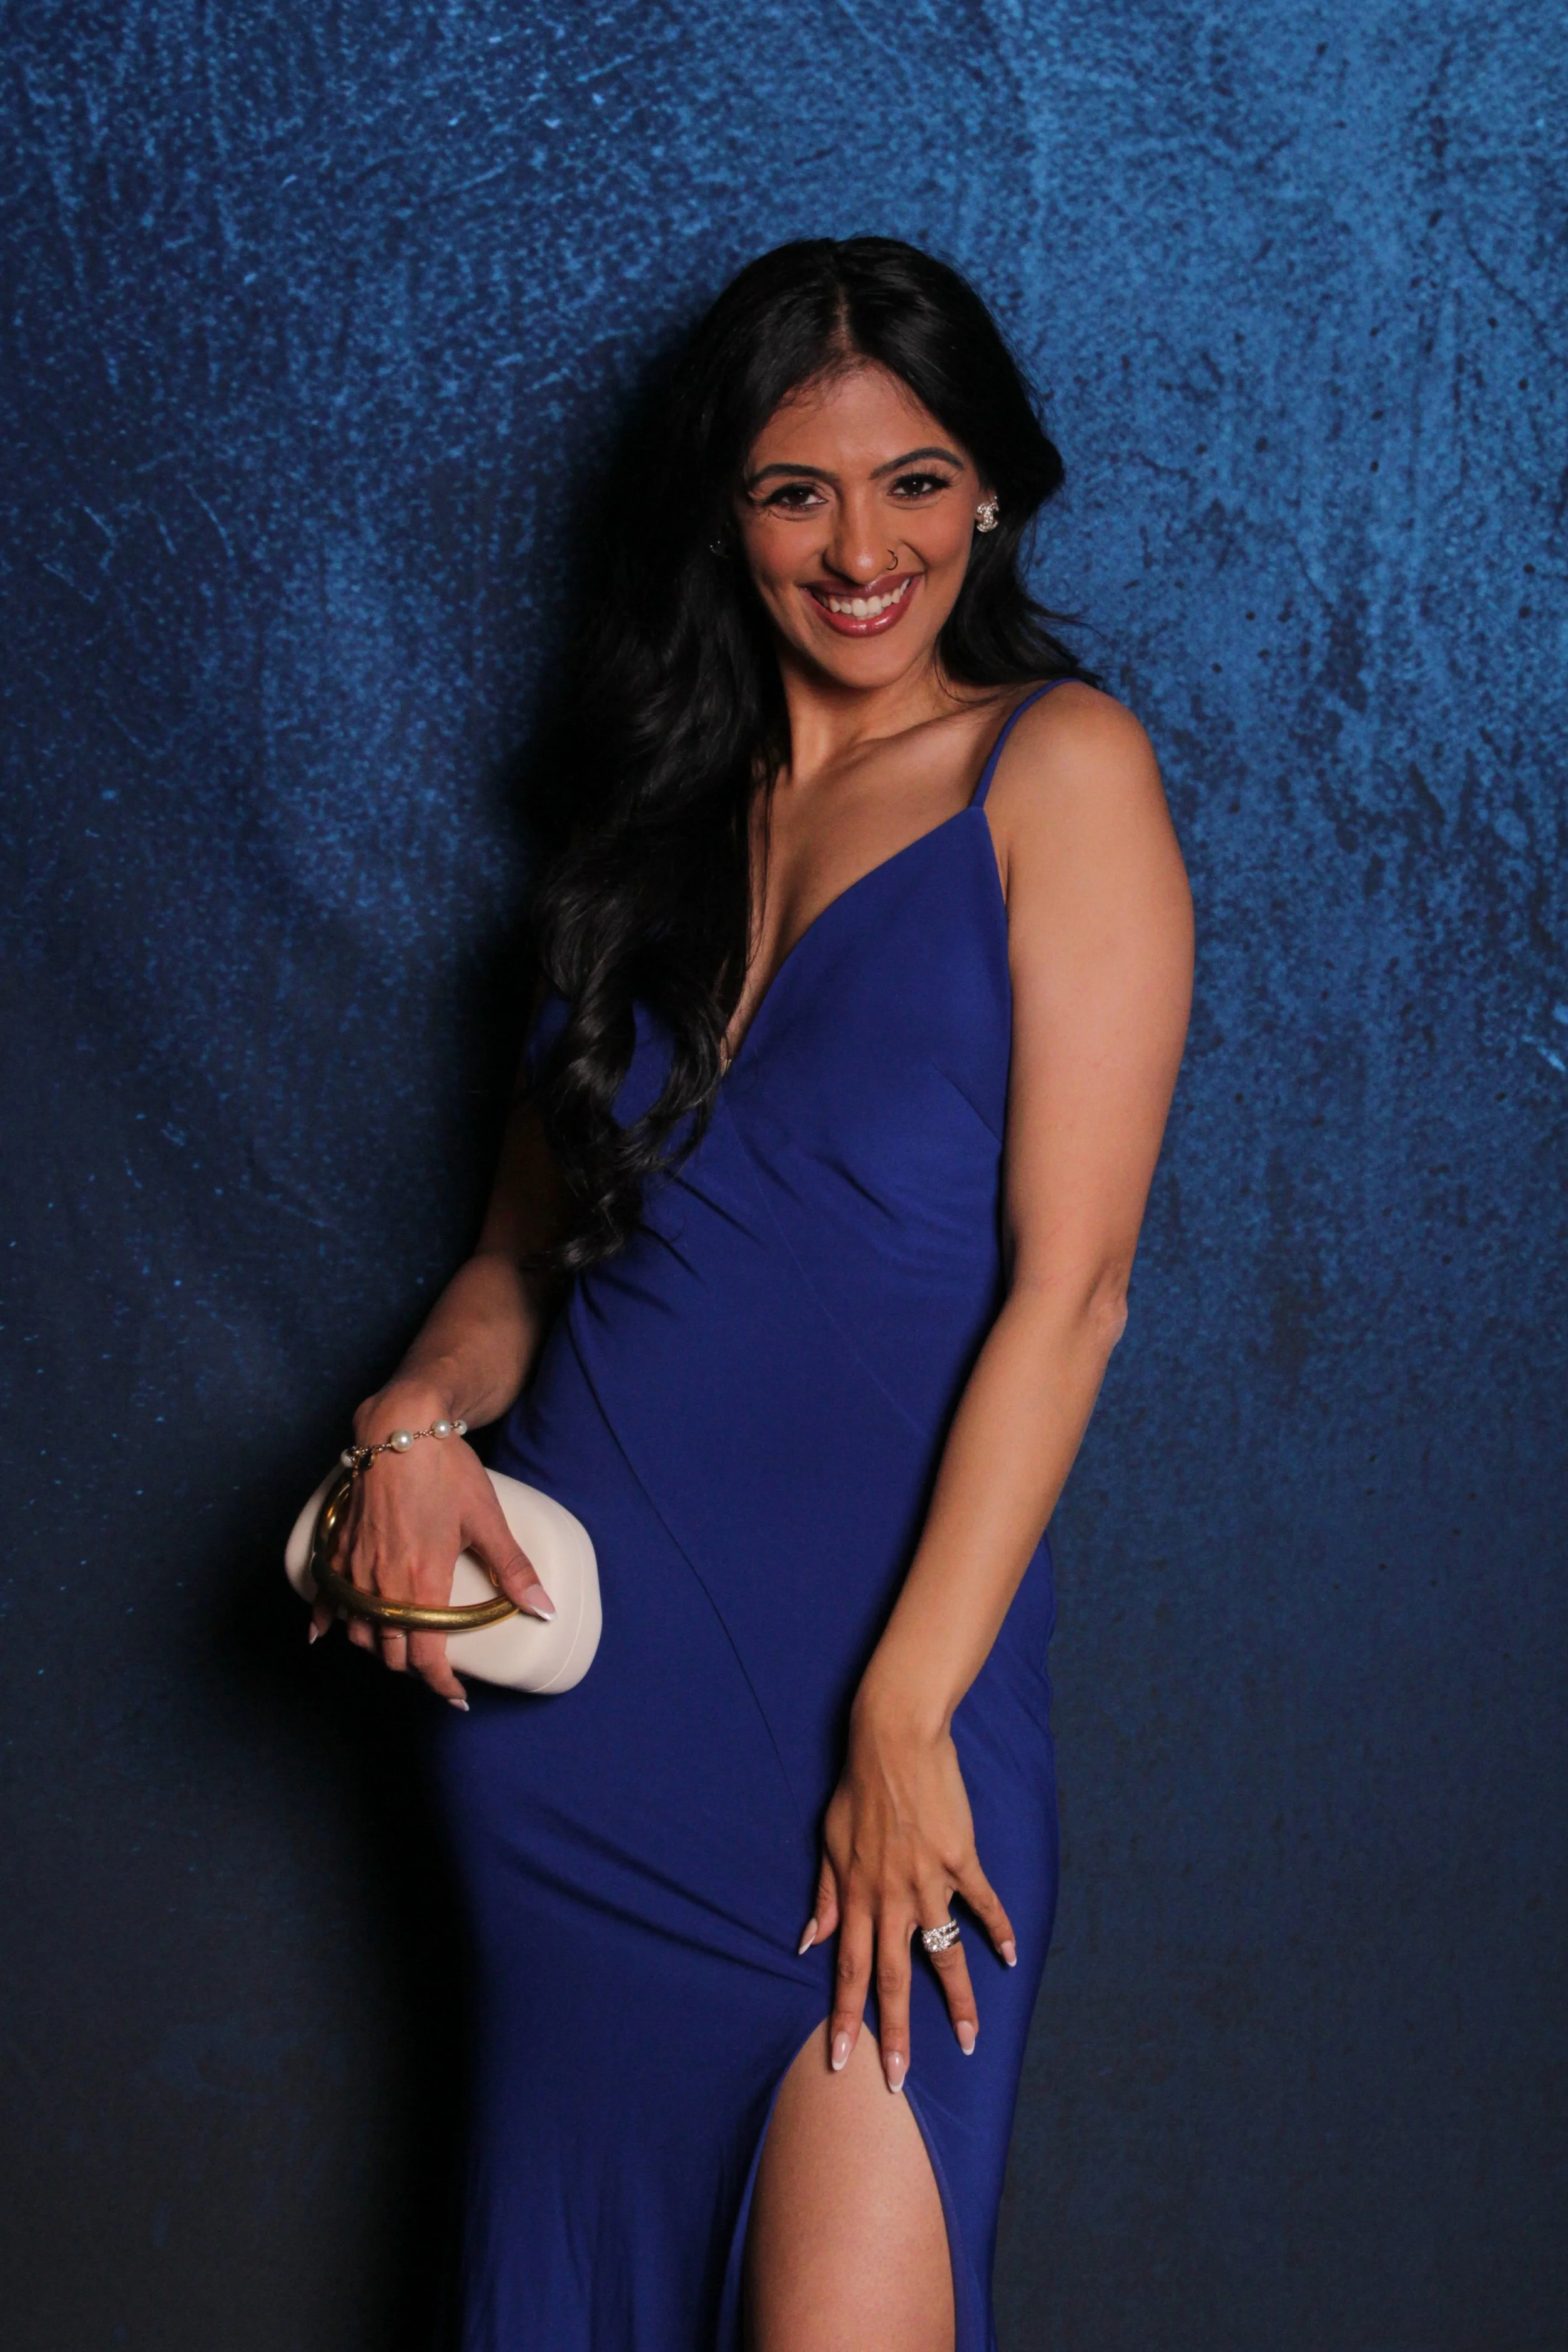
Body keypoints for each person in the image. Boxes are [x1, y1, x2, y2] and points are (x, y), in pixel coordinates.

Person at [317, 236, 1193, 2352]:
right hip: (584, 1739)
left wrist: (902, 1713)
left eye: (914, 481)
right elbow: (516, 1257)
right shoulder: (640, 831)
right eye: (798, 490)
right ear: (726, 512)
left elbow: (1072, 1292)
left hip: (890, 1716)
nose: (861, 550)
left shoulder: (1056, 769)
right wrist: (408, 1426)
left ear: (990, 490)